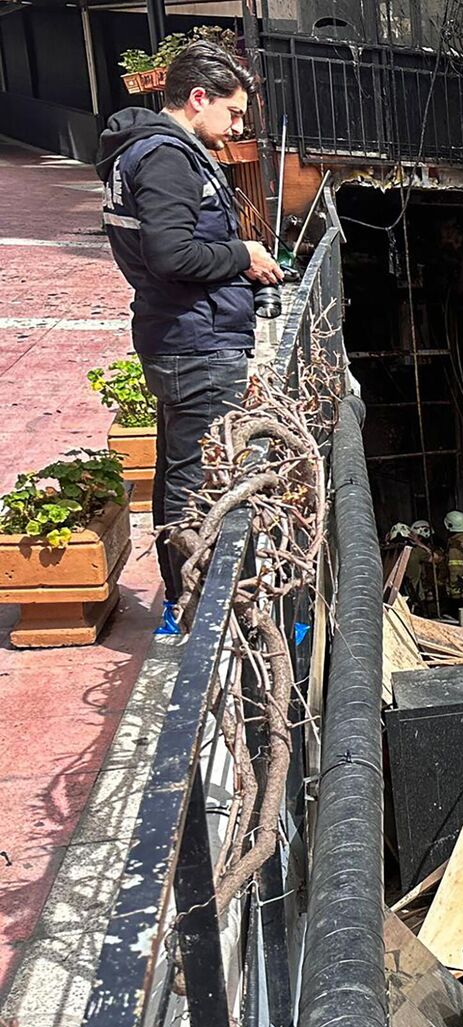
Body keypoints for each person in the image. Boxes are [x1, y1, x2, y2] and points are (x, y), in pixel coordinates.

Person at [97, 41, 283, 635]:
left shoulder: (147, 151)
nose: (237, 129)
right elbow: (172, 254)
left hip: (182, 333)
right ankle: (199, 609)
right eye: (233, 113)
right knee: (199, 478)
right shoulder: (166, 158)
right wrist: (244, 255)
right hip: (195, 340)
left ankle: (190, 601)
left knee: (181, 468)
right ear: (198, 98)